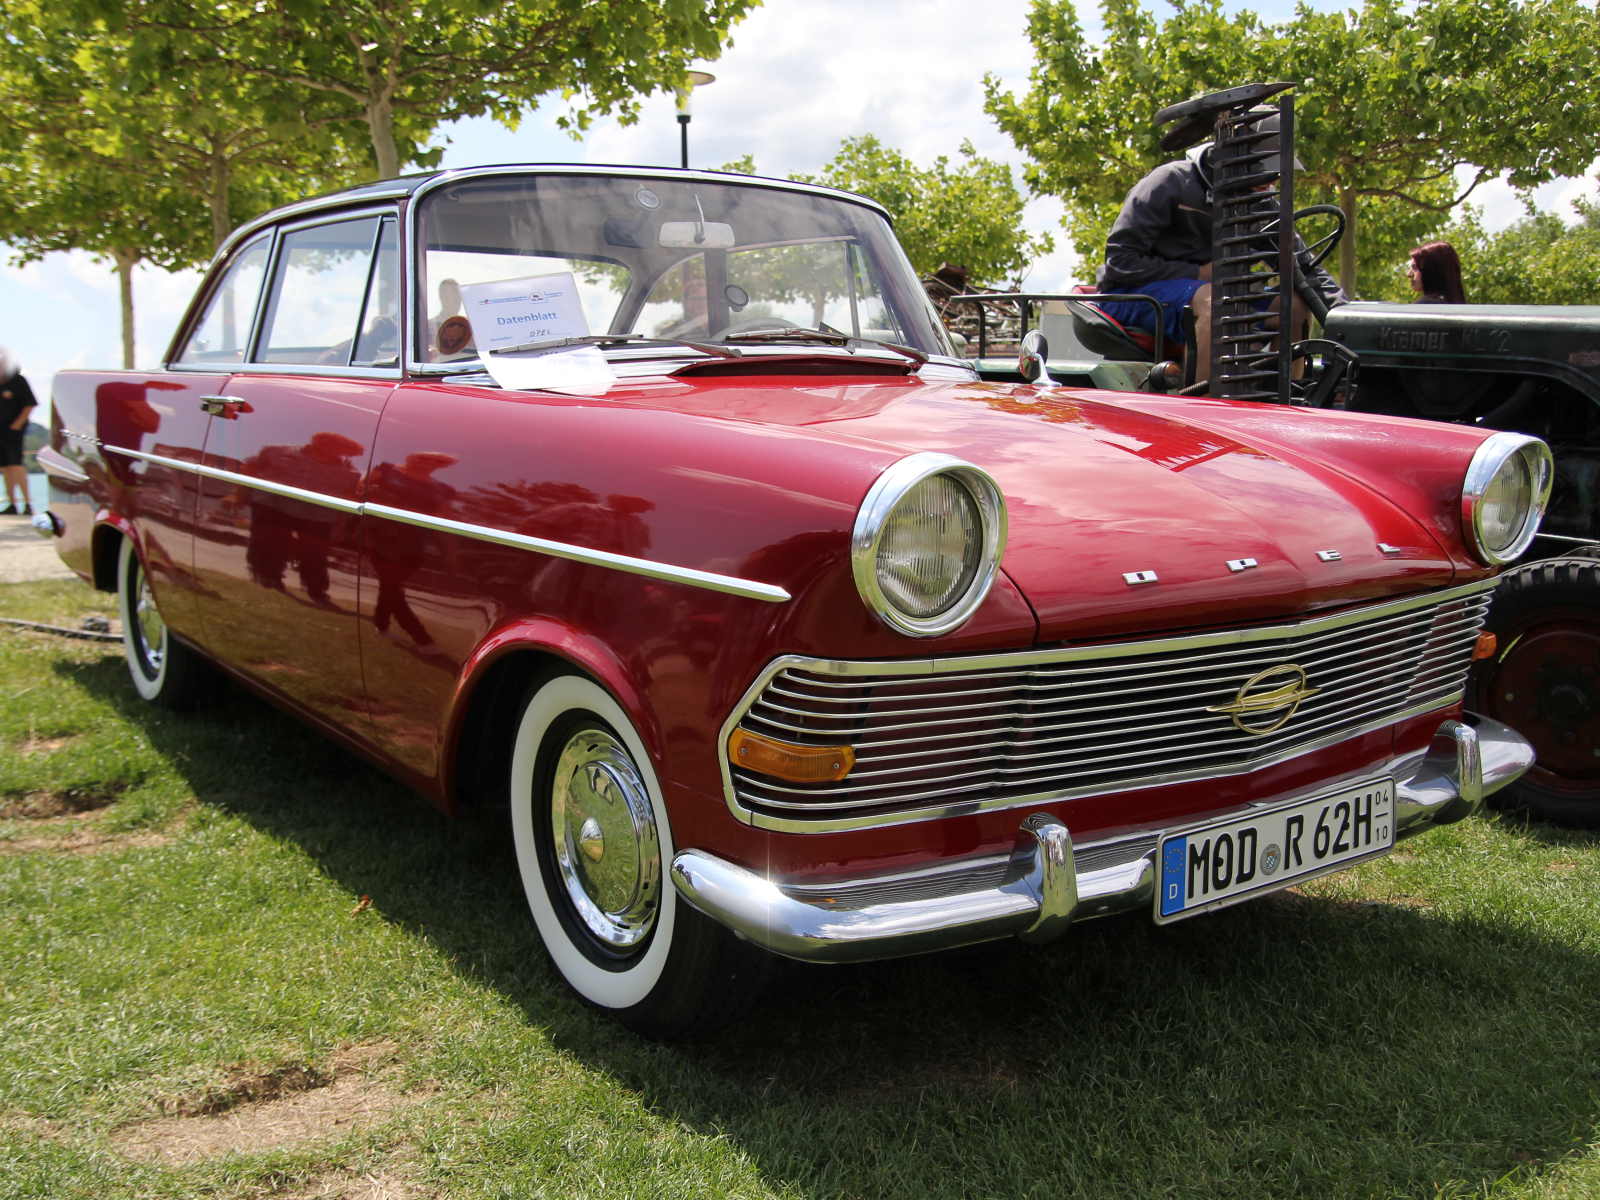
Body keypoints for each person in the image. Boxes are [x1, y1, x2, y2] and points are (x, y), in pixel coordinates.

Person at [1094, 113, 1346, 383]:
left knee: (1294, 305)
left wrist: (1348, 319)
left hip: (1206, 295)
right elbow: (1121, 262)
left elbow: (1305, 269)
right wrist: (1199, 273)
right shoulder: (1170, 182)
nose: (1271, 179)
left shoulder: (1260, 204)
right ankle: (1203, 406)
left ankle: (1283, 403)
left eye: (1275, 170)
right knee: (1214, 299)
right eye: (1262, 167)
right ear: (1231, 155)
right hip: (1130, 294)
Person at [0, 347, 37, 516]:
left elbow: (30, 404)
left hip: (14, 432)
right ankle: (12, 504)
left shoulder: (18, 381)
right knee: (5, 468)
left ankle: (28, 503)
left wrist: (17, 425)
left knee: (16, 465)